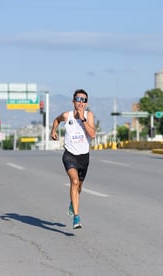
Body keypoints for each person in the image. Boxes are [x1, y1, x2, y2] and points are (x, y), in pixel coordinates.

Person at [51, 89, 96, 229]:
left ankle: (73, 202)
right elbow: (56, 120)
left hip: (84, 157)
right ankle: (76, 217)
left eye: (84, 100)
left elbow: (93, 134)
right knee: (74, 181)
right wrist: (53, 130)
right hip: (69, 155)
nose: (81, 102)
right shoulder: (67, 115)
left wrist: (83, 119)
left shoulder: (89, 116)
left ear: (86, 103)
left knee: (79, 186)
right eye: (78, 99)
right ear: (73, 102)